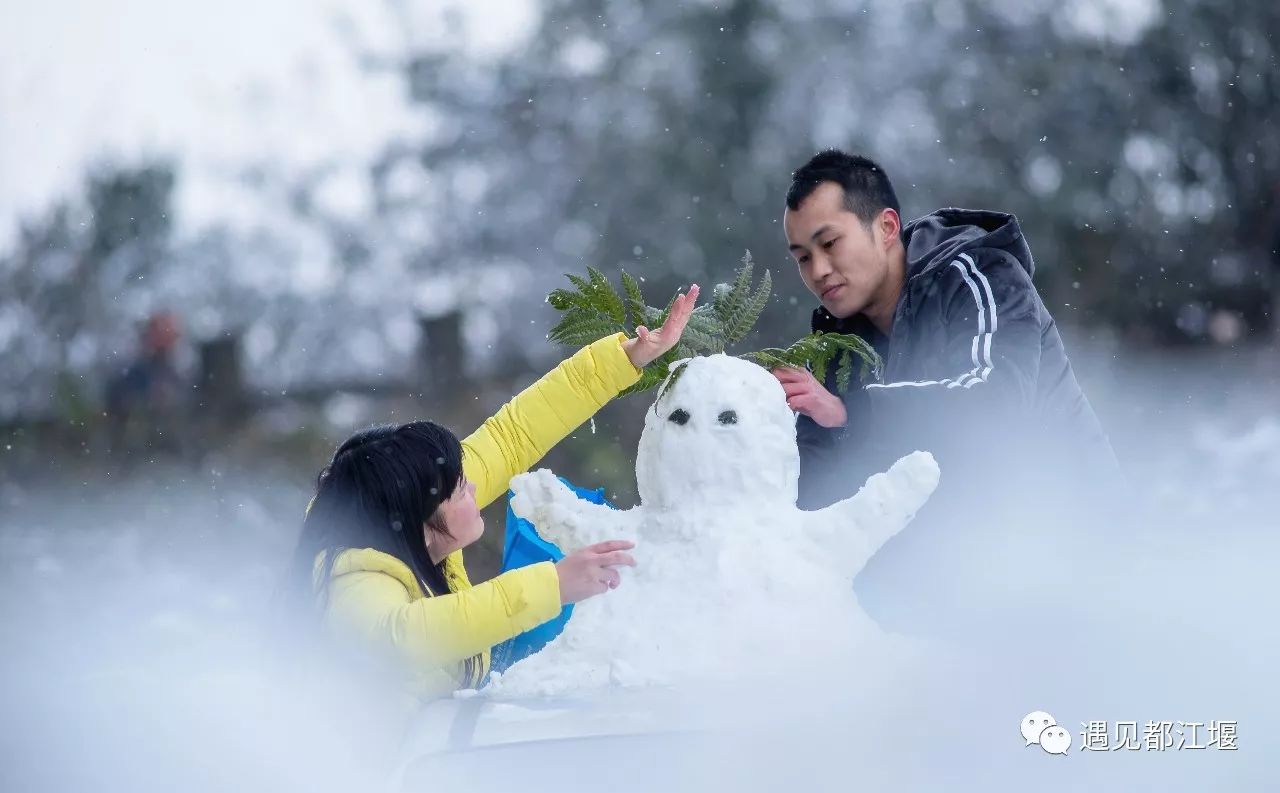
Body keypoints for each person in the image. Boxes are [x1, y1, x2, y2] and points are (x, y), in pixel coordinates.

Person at [282, 285, 699, 703]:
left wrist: (627, 358)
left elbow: (512, 435)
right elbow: (404, 636)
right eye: (462, 487)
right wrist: (551, 585)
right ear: (419, 518)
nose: (476, 486)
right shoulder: (353, 581)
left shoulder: (413, 512)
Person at [774, 149, 1122, 637]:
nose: (819, 269)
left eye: (830, 242)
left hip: (1078, 559)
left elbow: (994, 402)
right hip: (957, 593)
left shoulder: (979, 276)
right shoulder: (839, 349)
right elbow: (816, 490)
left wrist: (850, 413)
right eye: (803, 257)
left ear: (887, 227)